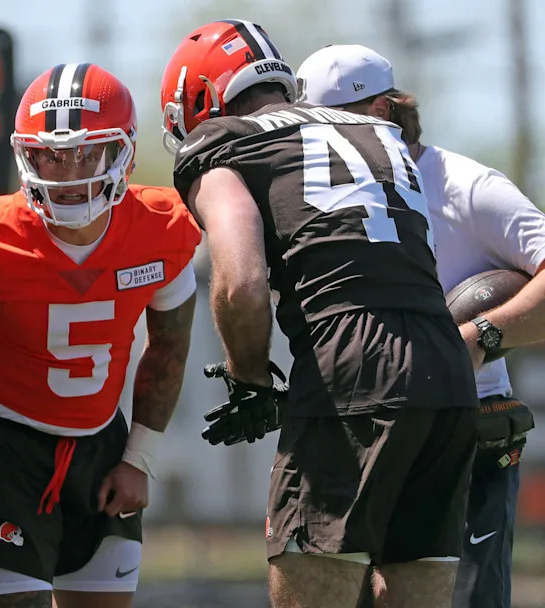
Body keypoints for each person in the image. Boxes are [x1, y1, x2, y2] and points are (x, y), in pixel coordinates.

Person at [161, 20, 479, 608]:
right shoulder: (377, 129)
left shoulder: (227, 140)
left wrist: (249, 378)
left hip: (352, 358)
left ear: (201, 100)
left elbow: (241, 283)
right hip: (447, 362)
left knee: (312, 581)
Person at [0, 63, 201, 608]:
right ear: (26, 154)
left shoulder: (159, 229)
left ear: (122, 153)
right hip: (3, 447)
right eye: (48, 154)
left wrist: (138, 456)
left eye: (83, 153)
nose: (65, 171)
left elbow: (169, 347)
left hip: (100, 441)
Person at [297, 43, 542, 608]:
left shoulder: (466, 186)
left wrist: (484, 336)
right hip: (359, 430)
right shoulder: (322, 194)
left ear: (381, 113)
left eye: (332, 125)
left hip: (465, 434)